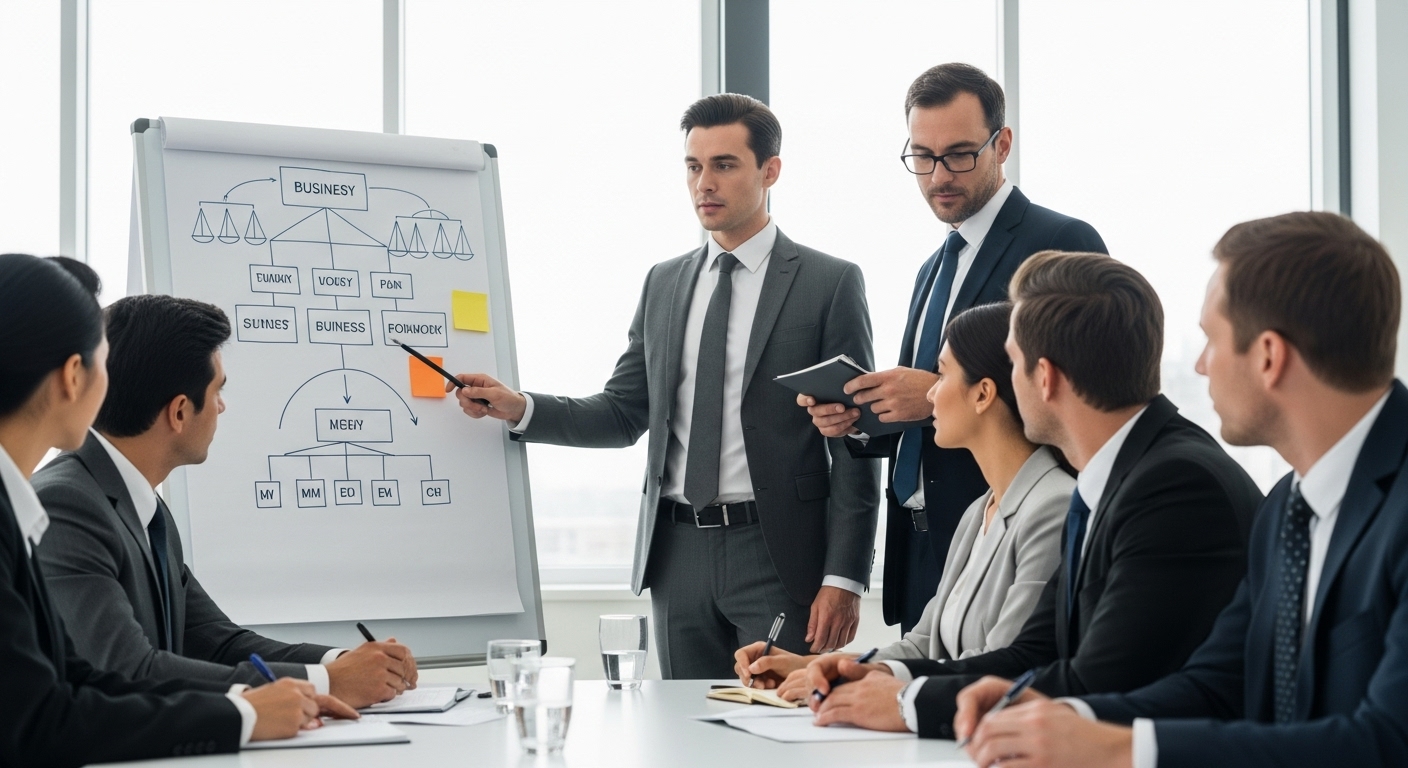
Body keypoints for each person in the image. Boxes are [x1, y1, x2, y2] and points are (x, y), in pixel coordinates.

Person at [448, 94, 881, 678]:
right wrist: (520, 407)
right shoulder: (664, 283)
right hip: (676, 554)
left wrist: (845, 577)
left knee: (779, 735)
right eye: (693, 166)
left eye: (724, 165)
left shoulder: (828, 283)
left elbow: (855, 441)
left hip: (778, 554)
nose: (705, 182)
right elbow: (624, 413)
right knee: (685, 735)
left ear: (770, 170)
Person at [955, 212, 1408, 768]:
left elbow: (1388, 742)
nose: (1199, 365)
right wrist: (1067, 716)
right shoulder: (1287, 509)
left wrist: (1125, 749)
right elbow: (1218, 684)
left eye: (1212, 340)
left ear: (1269, 356)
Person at [804, 250, 1263, 737]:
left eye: (1015, 363)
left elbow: (1096, 681)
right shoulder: (1116, 475)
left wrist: (906, 704)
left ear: (1045, 379)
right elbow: (1034, 652)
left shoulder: (1173, 486)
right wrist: (883, 674)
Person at [0, 253, 357, 766]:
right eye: (103, 360)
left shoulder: (134, 505)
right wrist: (249, 715)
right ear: (73, 376)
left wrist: (292, 686)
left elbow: (80, 675)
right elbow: (58, 709)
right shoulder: (61, 501)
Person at [799, 63, 1107, 633]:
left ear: (1003, 144)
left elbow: (1086, 392)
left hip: (1011, 535)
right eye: (923, 155)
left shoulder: (1062, 242)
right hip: (920, 543)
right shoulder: (932, 268)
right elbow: (925, 411)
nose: (939, 174)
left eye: (960, 154)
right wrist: (863, 418)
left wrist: (938, 392)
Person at [32, 294, 418, 708]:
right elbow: (127, 670)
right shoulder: (67, 505)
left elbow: (216, 642)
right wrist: (327, 681)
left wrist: (342, 662)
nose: (222, 406)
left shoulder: (140, 505)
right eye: (217, 391)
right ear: (179, 412)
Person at [734, 302, 1072, 692]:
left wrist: (864, 689)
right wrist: (812, 666)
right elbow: (923, 646)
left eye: (941, 375)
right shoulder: (980, 511)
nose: (929, 392)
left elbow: (1004, 668)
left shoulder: (1053, 509)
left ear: (982, 395)